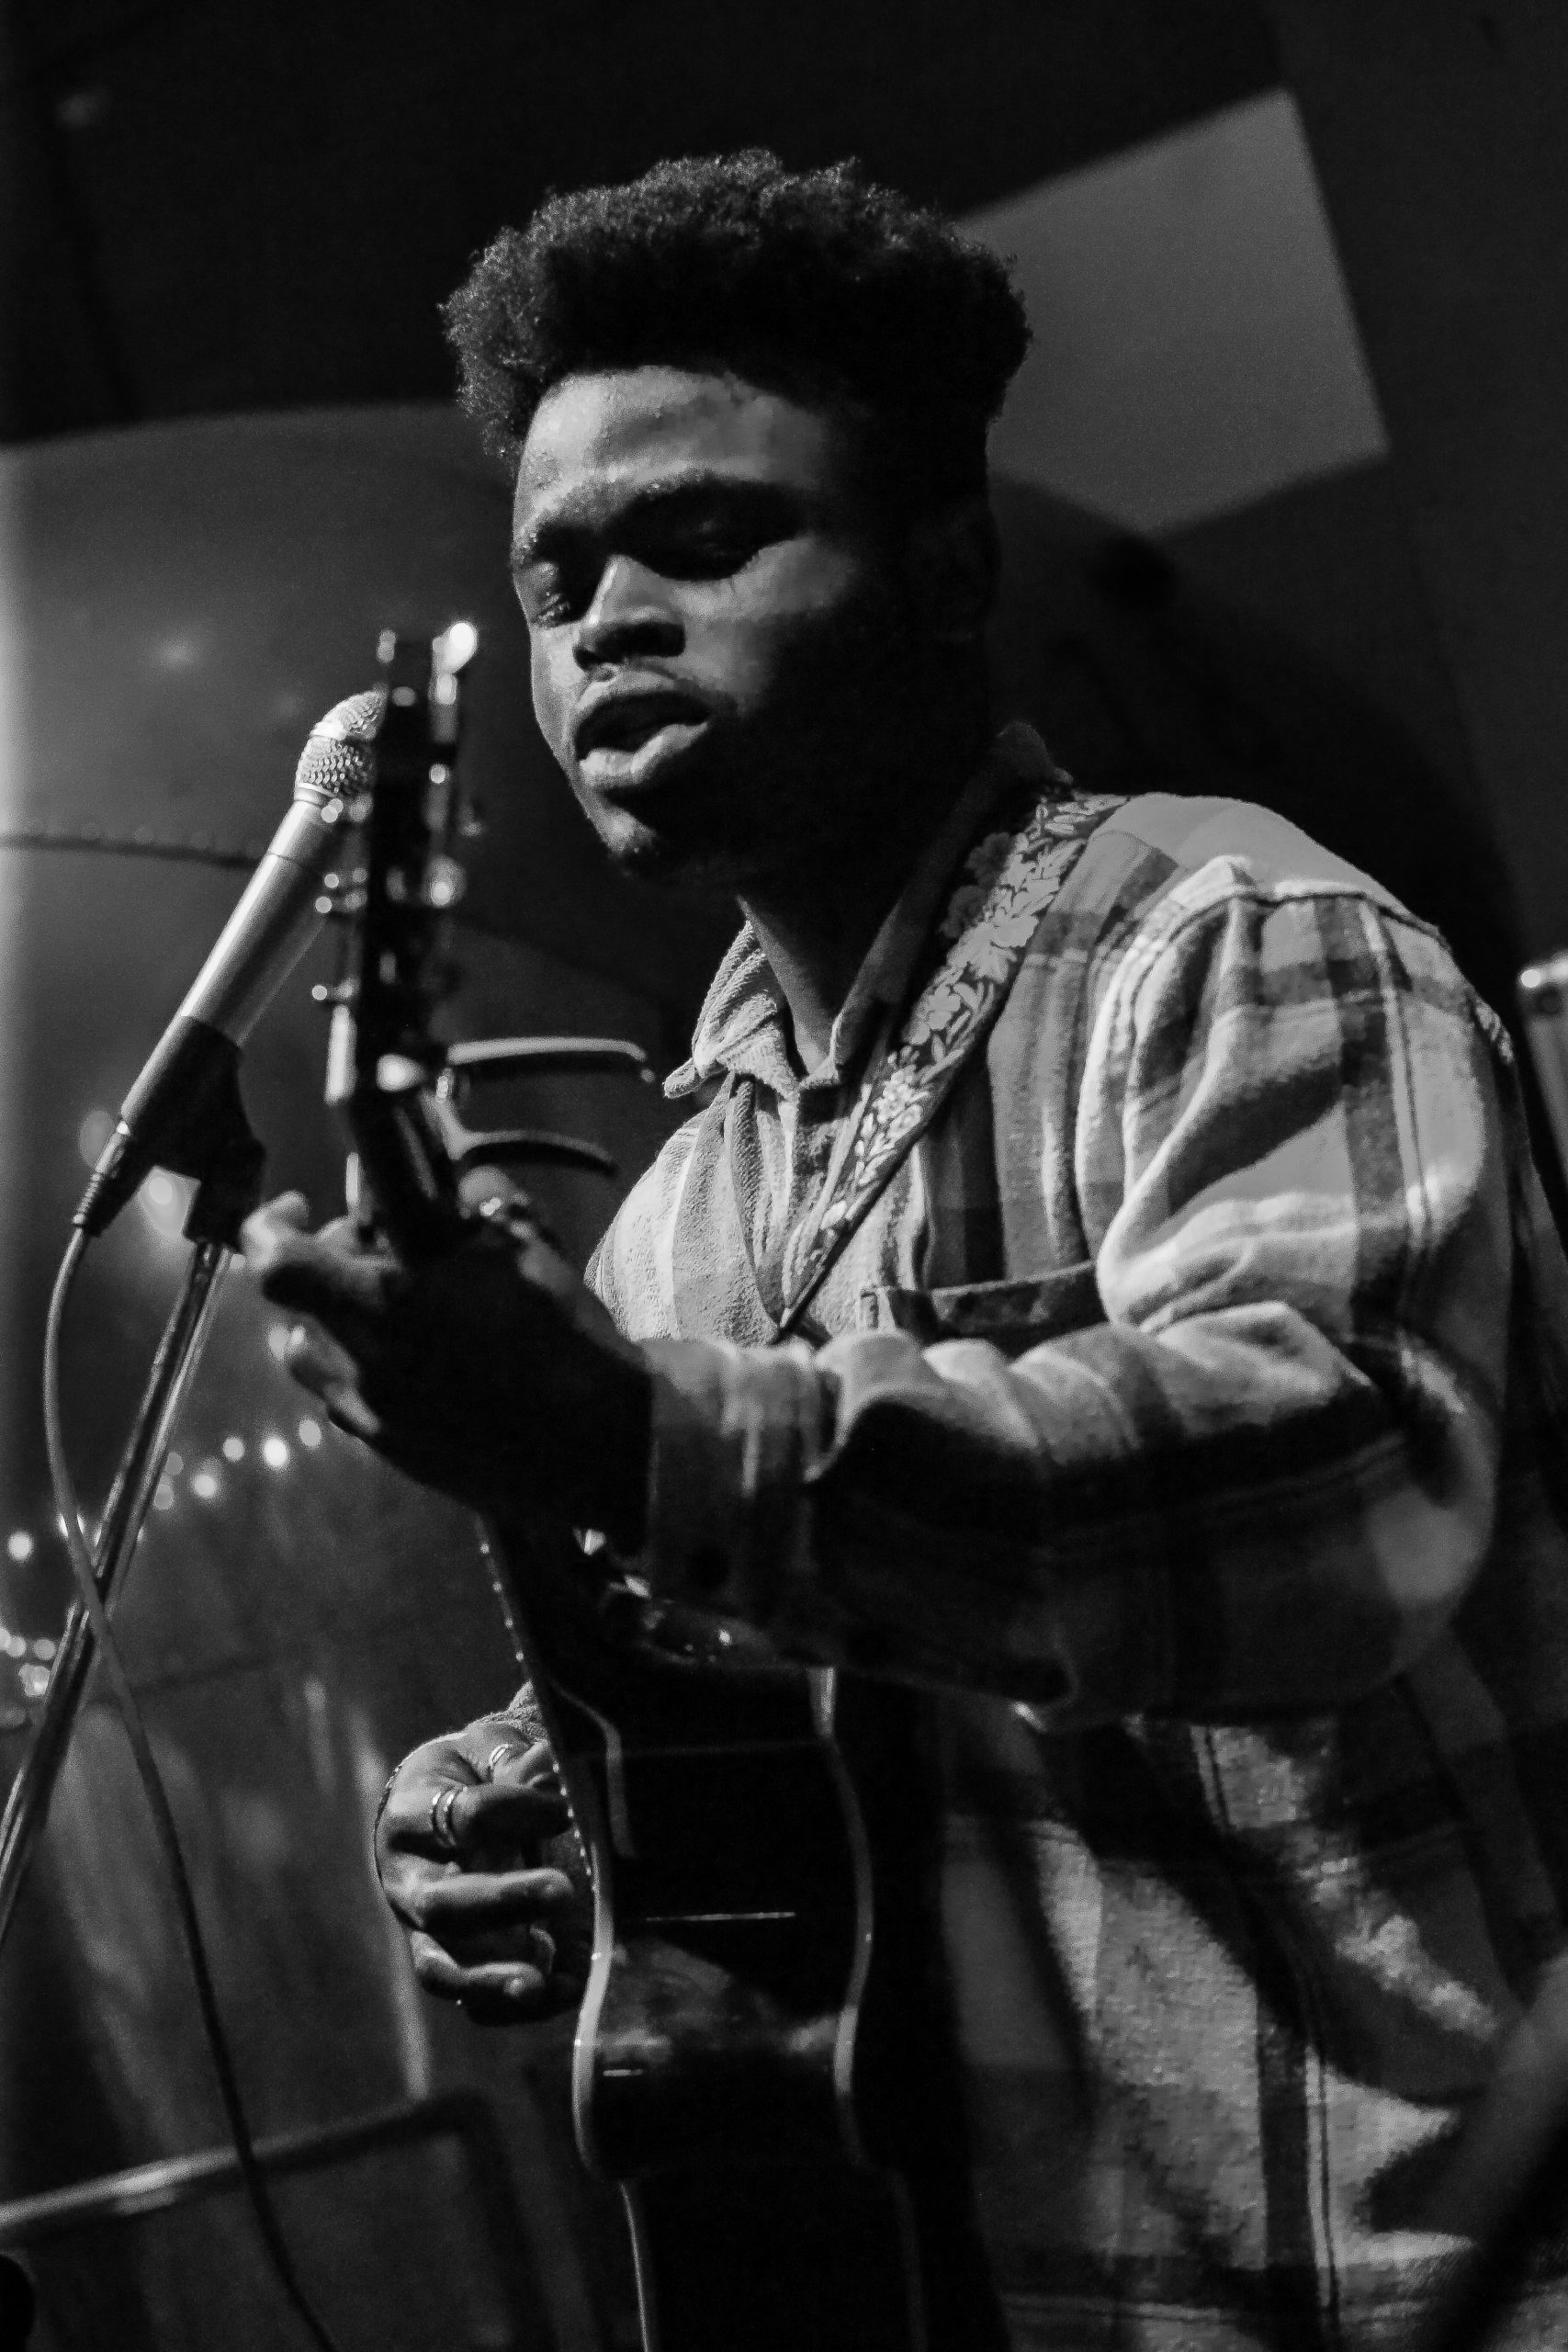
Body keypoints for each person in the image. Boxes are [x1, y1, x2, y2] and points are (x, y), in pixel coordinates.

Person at [243, 151, 1568, 2350]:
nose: (605, 625)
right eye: (554, 576)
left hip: (1430, 2272)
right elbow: (811, 1693)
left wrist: (641, 1435)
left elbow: (1331, 1494)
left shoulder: (1228, 943)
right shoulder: (693, 1193)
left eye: (699, 537)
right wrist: (548, 1786)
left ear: (945, 564)